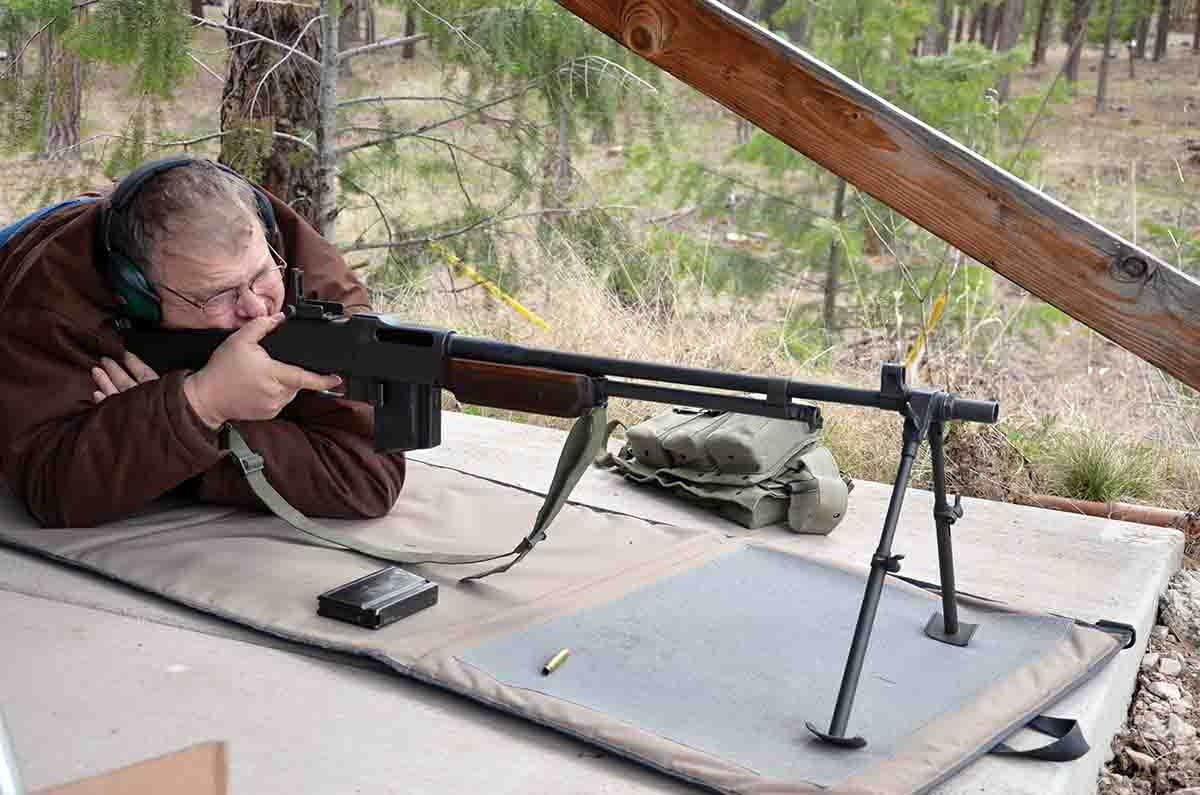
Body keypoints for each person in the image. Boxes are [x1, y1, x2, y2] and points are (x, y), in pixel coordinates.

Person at [0, 157, 406, 527]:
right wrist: (199, 403)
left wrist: (188, 421)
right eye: (218, 295)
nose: (256, 308)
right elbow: (52, 484)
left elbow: (367, 478)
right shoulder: (50, 304)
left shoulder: (304, 269)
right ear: (137, 293)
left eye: (262, 275)